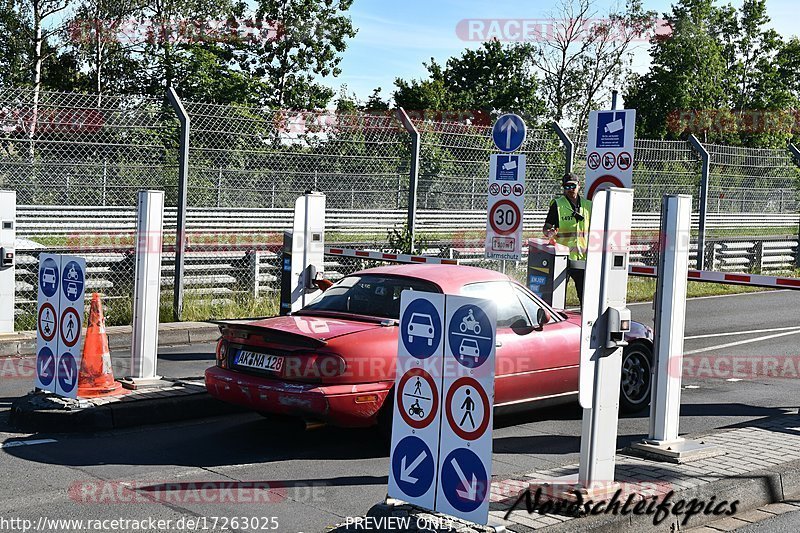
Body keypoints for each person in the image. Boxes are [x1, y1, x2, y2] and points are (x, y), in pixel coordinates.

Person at [542, 173, 592, 305]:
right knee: (556, 294)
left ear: (579, 185)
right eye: (567, 186)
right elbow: (546, 227)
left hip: (582, 258)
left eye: (573, 186)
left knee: (584, 295)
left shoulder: (588, 206)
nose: (570, 189)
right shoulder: (557, 205)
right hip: (562, 258)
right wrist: (549, 233)